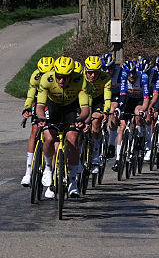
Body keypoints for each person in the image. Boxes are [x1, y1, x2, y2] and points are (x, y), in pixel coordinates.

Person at [35, 56, 91, 198]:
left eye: (65, 78)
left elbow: (85, 108)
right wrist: (41, 118)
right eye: (58, 77)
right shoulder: (46, 79)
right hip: (53, 107)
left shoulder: (80, 80)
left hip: (71, 108)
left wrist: (80, 119)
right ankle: (48, 168)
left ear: (71, 75)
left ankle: (72, 181)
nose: (61, 81)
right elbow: (40, 105)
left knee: (72, 138)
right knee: (48, 137)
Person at [20, 56, 54, 186]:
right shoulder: (35, 76)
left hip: (51, 102)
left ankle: (49, 166)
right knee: (34, 131)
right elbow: (30, 94)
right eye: (42, 73)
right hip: (39, 102)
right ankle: (28, 172)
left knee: (50, 134)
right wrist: (27, 108)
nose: (44, 76)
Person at [113, 60, 151, 172]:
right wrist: (119, 108)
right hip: (127, 99)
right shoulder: (123, 77)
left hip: (139, 100)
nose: (132, 75)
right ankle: (118, 158)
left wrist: (143, 110)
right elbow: (123, 96)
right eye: (129, 73)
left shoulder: (143, 77)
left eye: (133, 72)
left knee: (138, 113)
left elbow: (146, 98)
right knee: (122, 126)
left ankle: (139, 137)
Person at [83, 55, 112, 174]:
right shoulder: (81, 77)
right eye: (90, 72)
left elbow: (107, 98)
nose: (93, 76)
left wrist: (106, 112)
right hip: (84, 101)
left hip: (98, 101)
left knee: (95, 120)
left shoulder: (105, 78)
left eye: (96, 72)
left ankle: (95, 154)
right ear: (85, 70)